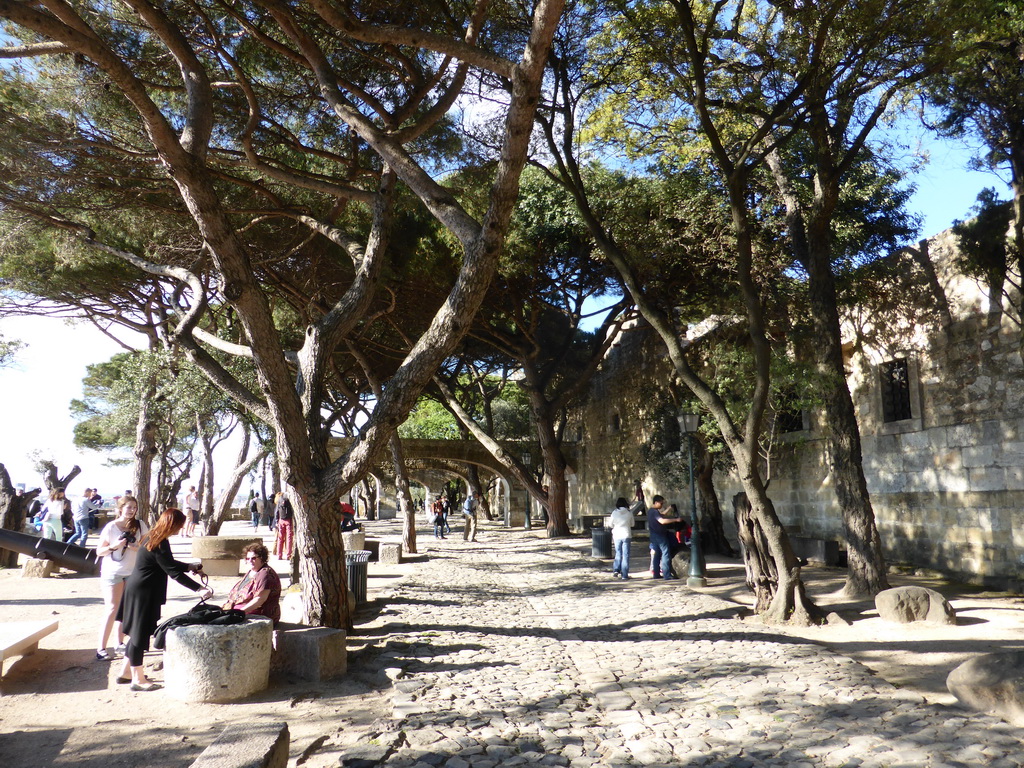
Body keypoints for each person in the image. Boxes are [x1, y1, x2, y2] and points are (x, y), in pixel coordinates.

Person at [115, 508, 213, 691]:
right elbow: (173, 572)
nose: (179, 530)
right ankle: (138, 679)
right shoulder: (159, 543)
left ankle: (126, 672)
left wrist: (190, 566)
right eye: (179, 526)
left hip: (138, 589)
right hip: (143, 593)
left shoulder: (152, 537)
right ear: (172, 524)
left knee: (138, 632)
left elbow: (166, 563)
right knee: (139, 635)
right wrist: (199, 589)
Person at [95, 495, 147, 661]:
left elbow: (147, 547)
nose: (131, 510)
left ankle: (119, 643)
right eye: (128, 507)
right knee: (112, 608)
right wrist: (114, 546)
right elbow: (99, 552)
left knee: (126, 610)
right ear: (120, 509)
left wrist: (136, 547)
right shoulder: (111, 527)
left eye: (134, 507)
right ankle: (101, 648)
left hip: (132, 572)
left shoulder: (140, 525)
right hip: (113, 572)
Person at [223, 543, 282, 625]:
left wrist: (240, 612)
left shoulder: (265, 574)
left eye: (253, 558)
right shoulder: (252, 571)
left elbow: (260, 599)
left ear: (262, 558)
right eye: (247, 558)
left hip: (262, 613)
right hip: (243, 609)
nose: (250, 561)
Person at [647, 495, 679, 581]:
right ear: (656, 502)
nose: (662, 505)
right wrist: (676, 520)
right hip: (660, 536)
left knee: (657, 555)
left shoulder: (651, 511)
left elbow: (662, 515)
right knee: (665, 554)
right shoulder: (654, 512)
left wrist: (669, 508)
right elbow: (662, 520)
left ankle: (656, 574)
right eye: (661, 503)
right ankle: (667, 574)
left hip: (653, 536)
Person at [609, 497, 635, 579]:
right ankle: (624, 575)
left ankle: (616, 569)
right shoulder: (629, 513)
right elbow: (632, 524)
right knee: (626, 555)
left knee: (618, 553)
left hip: (617, 535)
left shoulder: (614, 513)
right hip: (626, 534)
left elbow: (610, 524)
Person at [274, 492, 294, 560]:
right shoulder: (289, 500)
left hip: (281, 520)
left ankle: (279, 555)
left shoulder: (279, 500)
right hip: (288, 520)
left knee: (280, 538)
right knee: (289, 538)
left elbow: (276, 511)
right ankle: (288, 555)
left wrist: (277, 520)